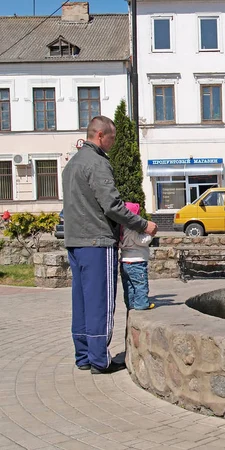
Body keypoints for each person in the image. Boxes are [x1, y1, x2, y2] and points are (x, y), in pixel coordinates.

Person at [62, 115, 158, 375]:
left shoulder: (73, 163)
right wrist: (142, 225)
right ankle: (99, 360)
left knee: (81, 301)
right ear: (101, 135)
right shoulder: (97, 163)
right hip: (97, 240)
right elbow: (112, 206)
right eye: (112, 138)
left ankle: (83, 355)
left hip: (75, 241)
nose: (114, 143)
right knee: (100, 302)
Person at [120, 202, 154, 311]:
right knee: (140, 284)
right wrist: (151, 235)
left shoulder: (121, 229)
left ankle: (131, 303)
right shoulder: (132, 229)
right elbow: (141, 241)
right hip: (137, 261)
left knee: (129, 285)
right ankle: (142, 304)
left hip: (125, 261)